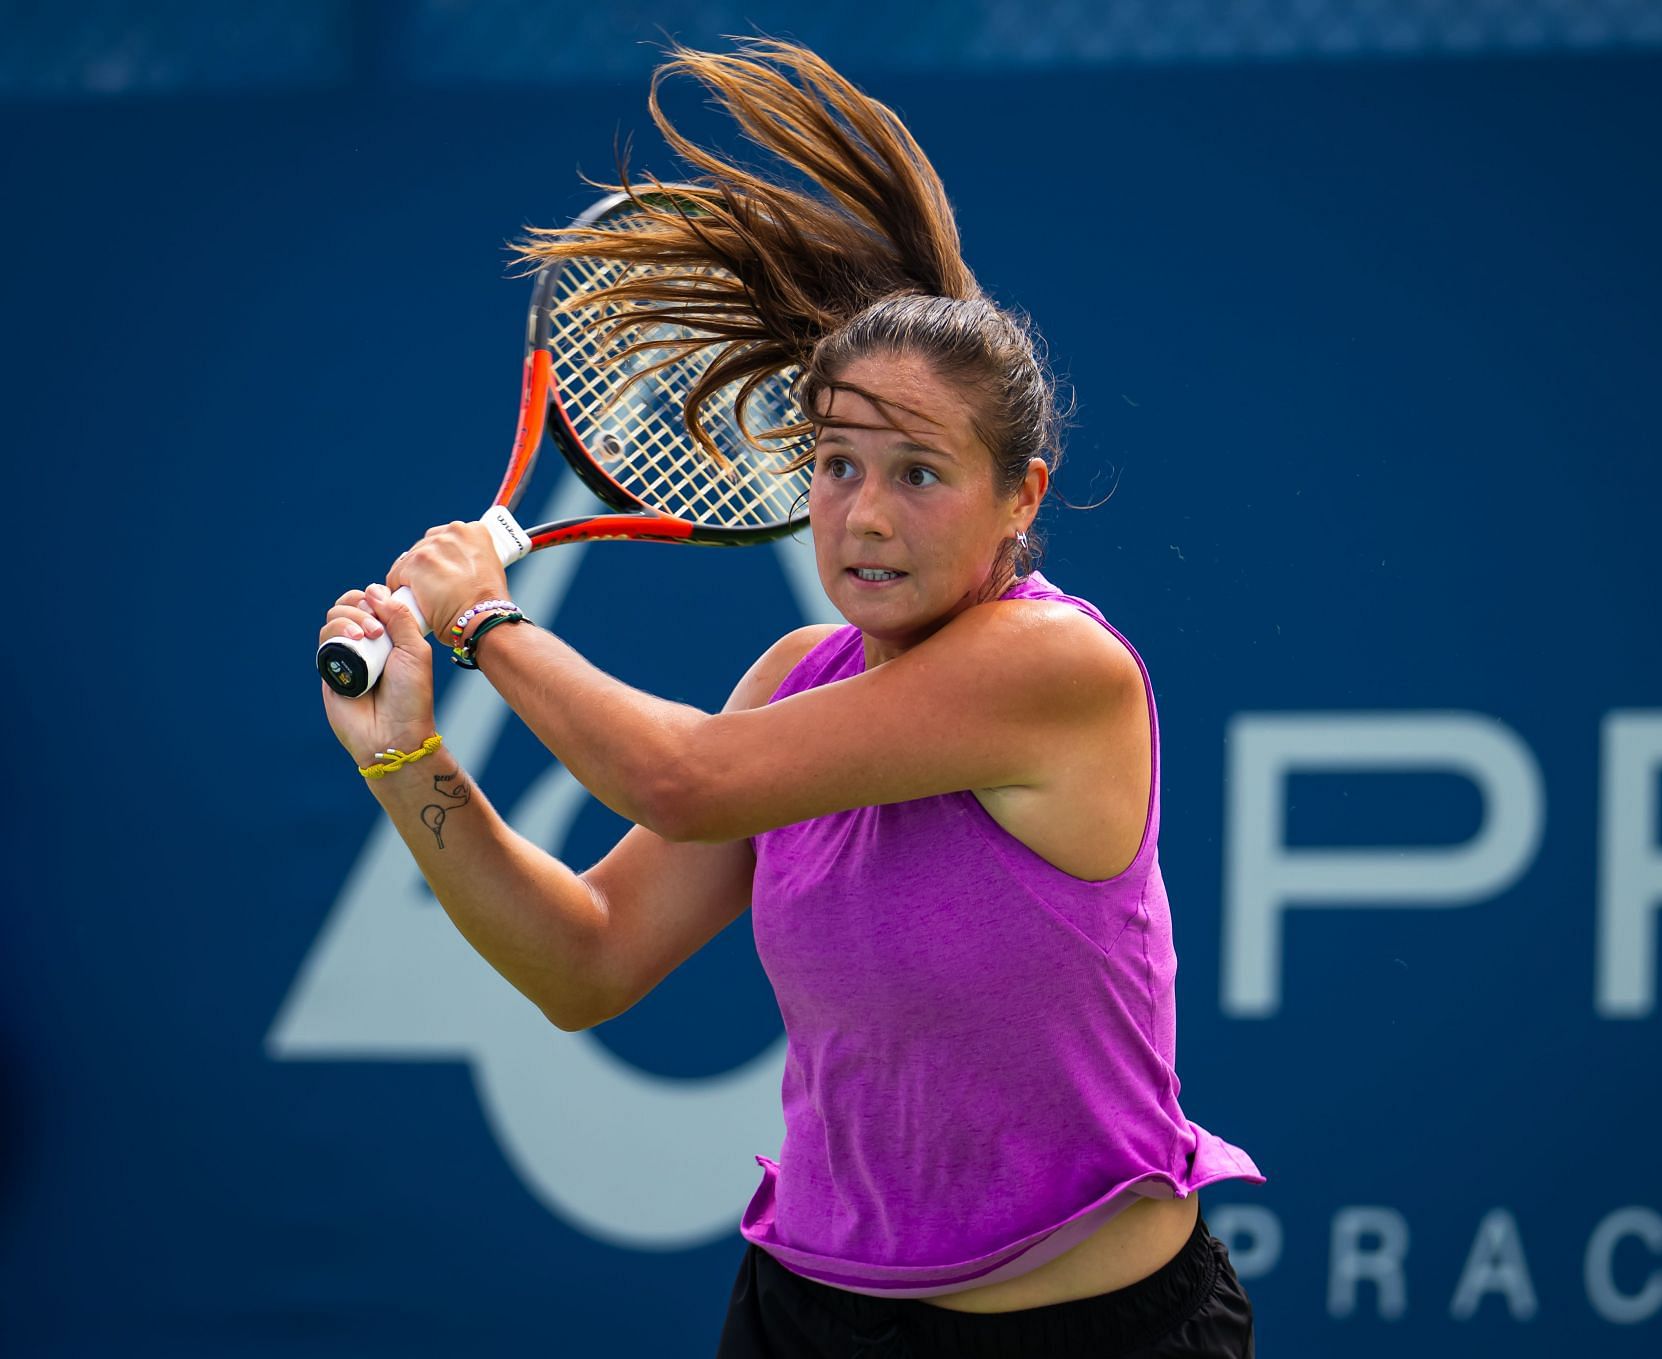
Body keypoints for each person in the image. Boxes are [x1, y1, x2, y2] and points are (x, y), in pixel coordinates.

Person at [317, 38, 1263, 1358]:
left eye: (918, 473)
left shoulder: (1055, 671)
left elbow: (684, 782)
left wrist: (483, 618)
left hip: (1094, 1336)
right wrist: (406, 757)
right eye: (833, 464)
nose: (863, 516)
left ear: (1022, 498)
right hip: (806, 1323)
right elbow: (584, 959)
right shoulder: (790, 686)